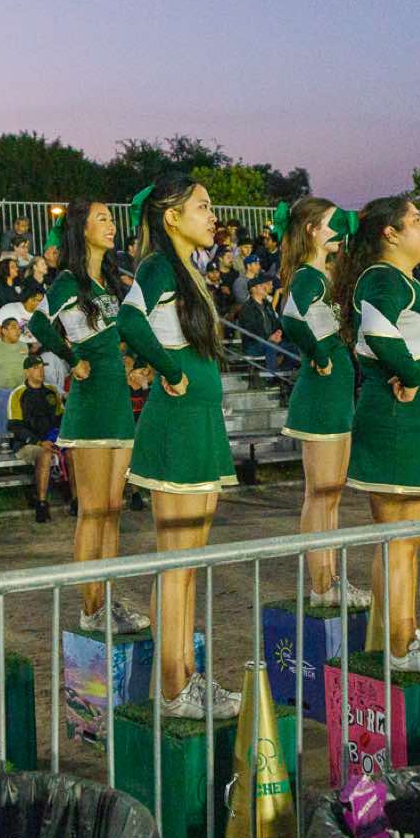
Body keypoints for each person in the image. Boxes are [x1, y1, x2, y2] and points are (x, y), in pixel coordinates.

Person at [119, 174, 241, 719]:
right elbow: (129, 320)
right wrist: (168, 370)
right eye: (202, 206)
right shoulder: (159, 266)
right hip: (177, 425)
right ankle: (173, 689)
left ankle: (185, 677)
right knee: (177, 563)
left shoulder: (186, 269)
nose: (212, 215)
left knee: (189, 564)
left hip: (200, 422)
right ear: (171, 216)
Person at [337, 194, 420, 671]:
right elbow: (378, 331)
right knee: (400, 544)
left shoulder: (404, 280)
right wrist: (409, 376)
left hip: (416, 432)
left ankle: (397, 640)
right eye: (415, 220)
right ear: (389, 233)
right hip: (397, 427)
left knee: (405, 543)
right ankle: (400, 647)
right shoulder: (382, 277)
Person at [29, 199, 150, 630]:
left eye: (111, 219)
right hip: (90, 404)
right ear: (82, 229)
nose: (111, 225)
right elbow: (38, 324)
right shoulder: (68, 280)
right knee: (93, 511)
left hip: (117, 400)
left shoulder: (111, 282)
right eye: (102, 219)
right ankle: (90, 608)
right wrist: (71, 357)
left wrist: (135, 367)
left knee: (114, 509)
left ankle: (108, 601)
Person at [276, 197, 368, 607]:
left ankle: (330, 580)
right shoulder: (307, 276)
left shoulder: (325, 275)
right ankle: (322, 585)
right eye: (333, 224)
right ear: (312, 229)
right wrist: (318, 354)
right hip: (320, 395)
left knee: (332, 494)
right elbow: (290, 318)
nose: (340, 232)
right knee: (321, 494)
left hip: (337, 395)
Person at [11, 355, 63, 518]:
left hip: (51, 440)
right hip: (26, 444)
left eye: (42, 367)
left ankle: (77, 502)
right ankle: (41, 503)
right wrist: (39, 442)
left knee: (74, 453)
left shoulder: (52, 391)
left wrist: (56, 439)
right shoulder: (18, 393)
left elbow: (61, 418)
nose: (40, 371)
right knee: (45, 454)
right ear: (26, 372)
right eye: (35, 368)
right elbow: (15, 427)